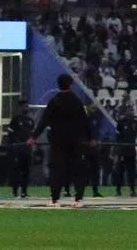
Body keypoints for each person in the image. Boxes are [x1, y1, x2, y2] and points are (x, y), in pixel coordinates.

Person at [30, 73, 89, 207]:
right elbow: (85, 122)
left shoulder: (54, 101)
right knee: (77, 169)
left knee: (56, 169)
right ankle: (78, 199)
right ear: (71, 84)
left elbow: (44, 120)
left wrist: (33, 136)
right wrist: (90, 138)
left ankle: (55, 199)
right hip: (75, 140)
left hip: (58, 140)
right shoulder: (76, 101)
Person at [4, 103, 34, 199]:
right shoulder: (16, 119)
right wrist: (13, 145)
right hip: (18, 149)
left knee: (26, 171)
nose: (26, 108)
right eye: (24, 106)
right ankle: (15, 191)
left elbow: (32, 134)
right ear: (20, 108)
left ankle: (24, 191)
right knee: (16, 171)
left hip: (27, 149)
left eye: (27, 106)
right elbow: (10, 132)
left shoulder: (30, 121)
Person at [112, 109, 137, 197]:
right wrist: (117, 151)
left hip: (131, 150)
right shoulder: (121, 122)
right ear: (126, 113)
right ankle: (118, 190)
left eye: (132, 111)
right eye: (129, 111)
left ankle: (132, 190)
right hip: (122, 151)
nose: (130, 113)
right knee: (120, 171)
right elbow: (117, 136)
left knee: (131, 172)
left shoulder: (135, 122)